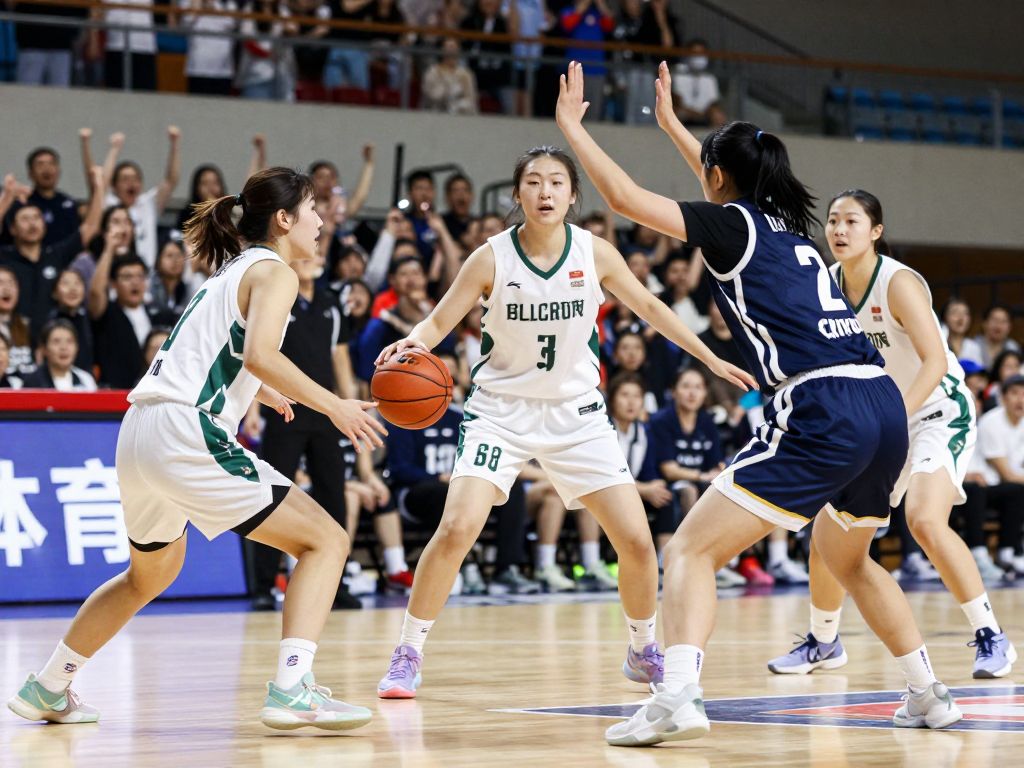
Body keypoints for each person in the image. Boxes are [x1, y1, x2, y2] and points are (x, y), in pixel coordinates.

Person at [556, 61, 963, 743]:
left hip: (821, 405)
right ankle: (928, 692)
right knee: (851, 561)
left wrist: (571, 127)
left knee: (687, 551)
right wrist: (679, 132)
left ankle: (679, 694)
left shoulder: (734, 228)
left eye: (709, 171)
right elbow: (722, 191)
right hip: (883, 406)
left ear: (719, 179)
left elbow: (624, 197)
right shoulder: (785, 229)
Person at [6, 166, 386, 730]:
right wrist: (334, 404)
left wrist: (265, 389)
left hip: (140, 430)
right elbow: (258, 352)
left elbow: (221, 352)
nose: (321, 218)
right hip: (186, 429)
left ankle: (49, 686)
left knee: (149, 576)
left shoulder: (233, 270)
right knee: (326, 540)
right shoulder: (276, 272)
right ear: (284, 220)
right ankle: (292, 689)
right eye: (312, 208)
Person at [374, 144, 753, 699]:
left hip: (577, 415)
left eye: (556, 182)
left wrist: (710, 356)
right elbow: (435, 322)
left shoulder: (594, 252)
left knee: (638, 543)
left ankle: (642, 646)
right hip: (501, 412)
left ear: (573, 195)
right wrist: (409, 346)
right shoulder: (490, 257)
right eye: (533, 182)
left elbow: (651, 309)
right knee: (456, 528)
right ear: (518, 193)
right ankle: (408, 651)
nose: (545, 191)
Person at [766, 189, 1014, 679]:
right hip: (878, 418)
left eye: (851, 221)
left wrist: (887, 416)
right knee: (827, 532)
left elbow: (936, 361)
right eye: (833, 221)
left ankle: (992, 636)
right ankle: (823, 640)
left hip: (936, 410)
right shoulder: (826, 285)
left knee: (924, 519)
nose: (839, 230)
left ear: (875, 231)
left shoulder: (897, 283)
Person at [21, 319, 97, 391]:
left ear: (77, 347)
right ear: (44, 348)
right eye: (56, 342)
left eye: (69, 341)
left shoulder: (86, 380)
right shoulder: (32, 382)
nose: (64, 348)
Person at [671, 39, 726, 127]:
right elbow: (677, 102)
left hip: (703, 114)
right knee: (674, 112)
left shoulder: (710, 78)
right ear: (687, 54)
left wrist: (710, 112)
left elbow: (713, 103)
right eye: (695, 53)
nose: (698, 57)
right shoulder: (678, 73)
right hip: (684, 112)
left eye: (702, 53)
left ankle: (713, 139)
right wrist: (695, 113)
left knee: (718, 115)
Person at [421, 38, 479, 115]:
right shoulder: (433, 72)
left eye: (454, 47)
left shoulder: (466, 74)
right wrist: (449, 89)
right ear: (442, 50)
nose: (451, 51)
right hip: (437, 113)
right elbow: (431, 96)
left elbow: (471, 99)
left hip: (460, 115)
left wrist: (460, 105)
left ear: (459, 50)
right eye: (448, 47)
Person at [973, 304, 1020, 369]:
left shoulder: (1012, 348)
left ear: (1009, 327)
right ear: (984, 323)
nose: (998, 326)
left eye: (1003, 321)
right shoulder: (974, 345)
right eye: (995, 320)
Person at [941, 297, 983, 365]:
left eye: (965, 313)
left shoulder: (973, 347)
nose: (961, 318)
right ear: (944, 317)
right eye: (955, 312)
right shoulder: (940, 344)